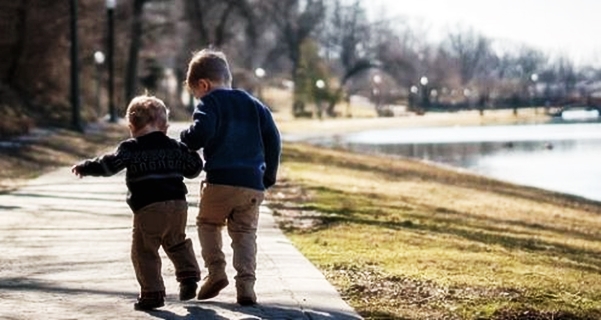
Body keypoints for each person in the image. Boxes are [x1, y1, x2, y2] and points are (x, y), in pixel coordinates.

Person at [71, 95, 202, 311]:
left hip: (148, 207)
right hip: (178, 205)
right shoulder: (175, 147)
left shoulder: (130, 148)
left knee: (144, 251)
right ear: (165, 126)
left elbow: (109, 165)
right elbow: (193, 169)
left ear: (131, 126)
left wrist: (86, 167)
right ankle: (188, 276)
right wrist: (191, 152)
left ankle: (152, 293)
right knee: (176, 241)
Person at [180, 48, 281, 306]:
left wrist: (186, 137)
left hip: (220, 181)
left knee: (208, 224)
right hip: (252, 184)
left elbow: (201, 134)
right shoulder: (255, 104)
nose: (198, 98)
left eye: (196, 93)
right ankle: (246, 286)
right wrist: (268, 175)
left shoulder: (209, 102)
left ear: (204, 84)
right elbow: (273, 139)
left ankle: (216, 272)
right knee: (245, 233)